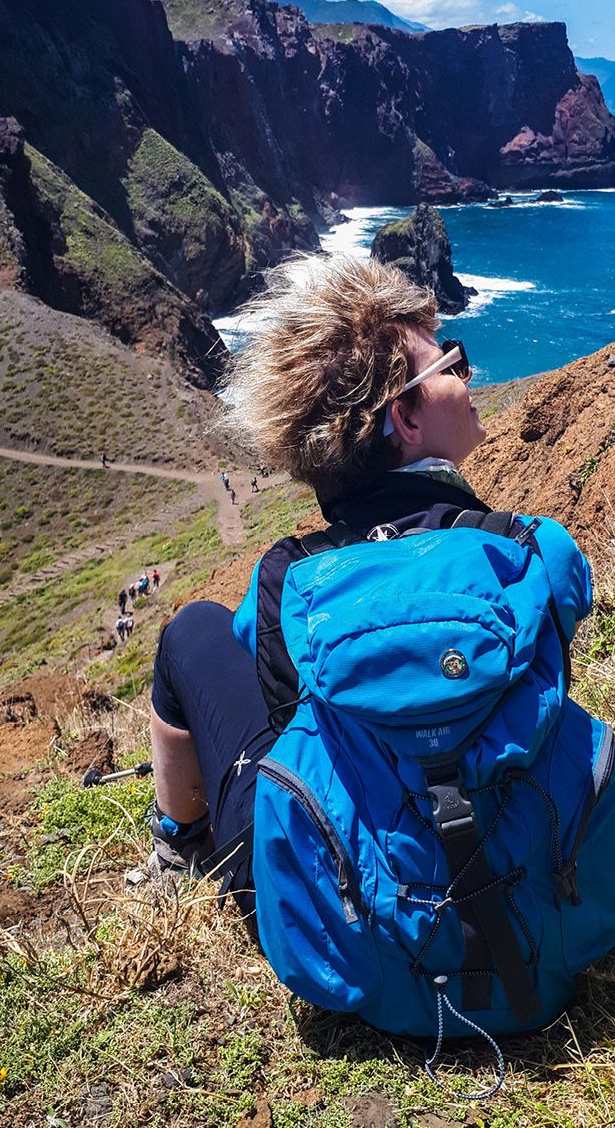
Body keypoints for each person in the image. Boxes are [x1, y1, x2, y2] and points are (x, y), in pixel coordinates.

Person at [149, 254, 492, 889]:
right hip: (513, 860)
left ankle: (178, 849)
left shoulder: (286, 580)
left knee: (193, 629)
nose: (473, 377)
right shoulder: (520, 547)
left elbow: (275, 696)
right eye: (455, 364)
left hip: (340, 901)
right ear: (406, 419)